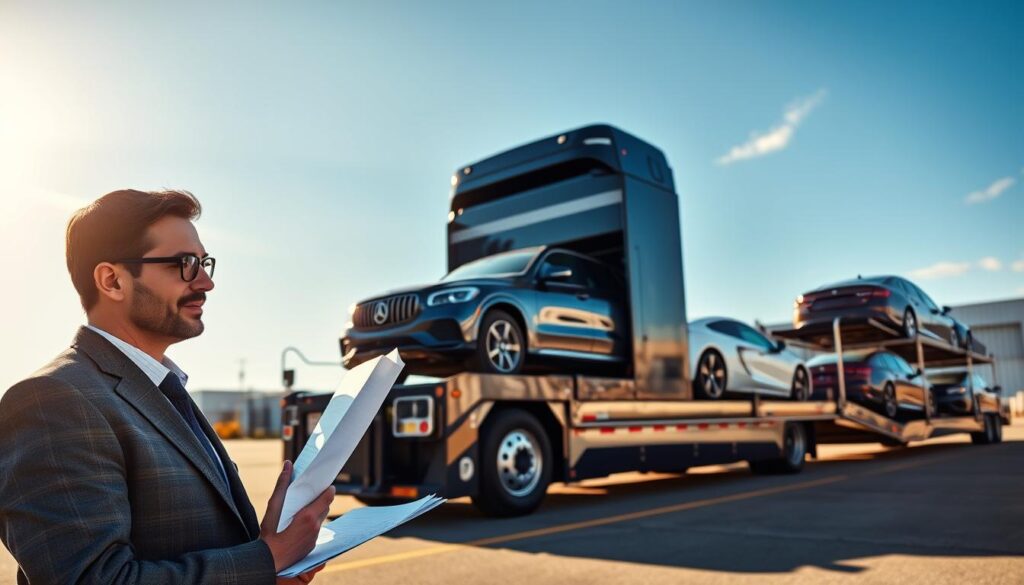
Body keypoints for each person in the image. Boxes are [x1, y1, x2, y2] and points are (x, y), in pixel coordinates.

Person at [0, 189, 333, 584]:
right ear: (112, 281)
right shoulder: (52, 400)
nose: (206, 282)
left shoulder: (162, 390)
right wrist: (265, 559)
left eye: (205, 262)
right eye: (185, 264)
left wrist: (268, 563)